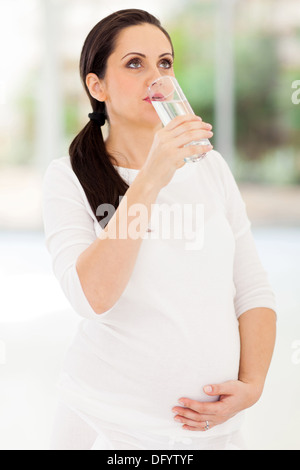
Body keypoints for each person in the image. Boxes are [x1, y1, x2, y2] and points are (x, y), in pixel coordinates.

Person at [42, 9, 277, 450]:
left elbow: (252, 290)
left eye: (165, 63)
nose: (157, 77)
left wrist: (253, 384)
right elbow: (92, 298)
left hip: (214, 429)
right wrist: (150, 178)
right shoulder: (68, 177)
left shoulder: (210, 166)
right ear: (98, 86)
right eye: (135, 63)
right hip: (106, 422)